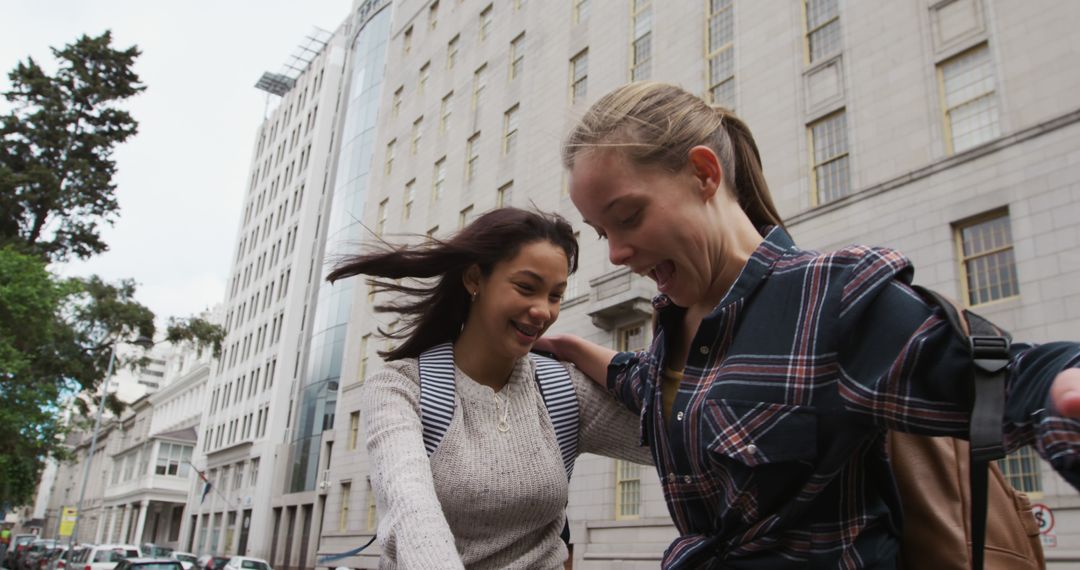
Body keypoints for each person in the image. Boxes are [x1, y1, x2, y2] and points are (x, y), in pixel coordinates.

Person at [536, 81, 1080, 569]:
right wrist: (570, 347)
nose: (616, 254)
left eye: (628, 217)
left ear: (705, 174)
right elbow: (644, 381)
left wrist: (1060, 390)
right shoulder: (673, 326)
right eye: (601, 232)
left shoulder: (832, 297)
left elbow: (1011, 379)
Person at [327, 207, 651, 569]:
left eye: (555, 296)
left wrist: (583, 351)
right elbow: (412, 514)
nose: (542, 310)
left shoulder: (562, 390)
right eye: (526, 288)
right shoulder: (400, 388)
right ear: (474, 279)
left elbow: (685, 436)